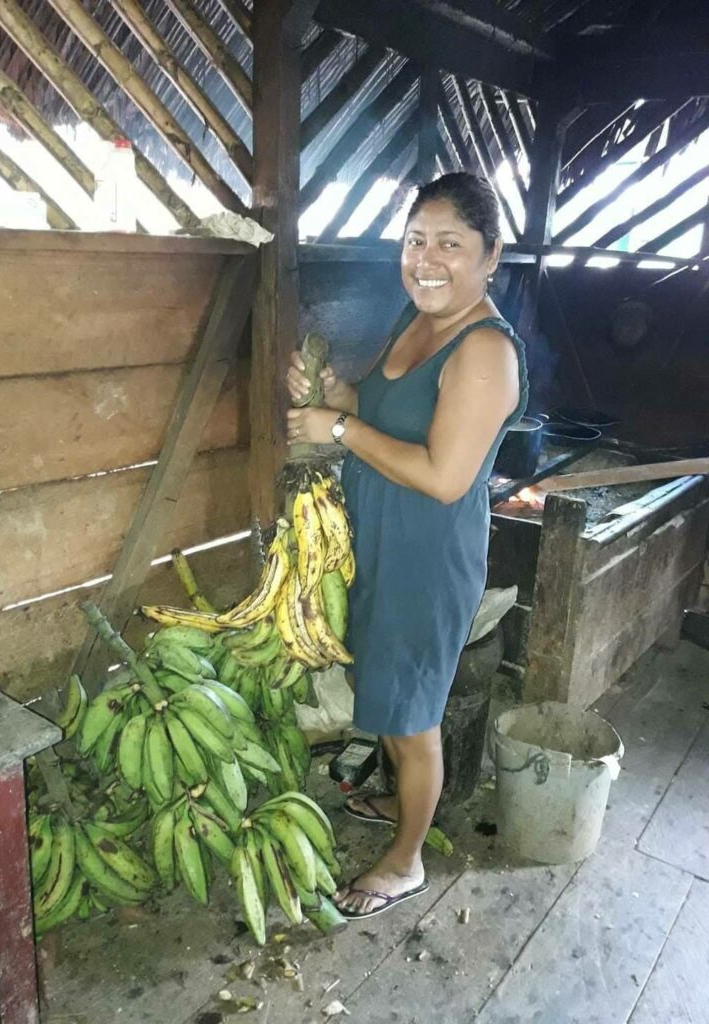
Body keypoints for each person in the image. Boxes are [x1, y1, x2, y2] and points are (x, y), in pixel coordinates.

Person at [285, 172, 528, 920]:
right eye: (416, 240)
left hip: (426, 562)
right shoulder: (417, 316)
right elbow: (386, 409)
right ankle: (401, 804)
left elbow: (445, 477)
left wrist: (339, 429)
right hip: (378, 543)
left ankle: (407, 862)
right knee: (390, 700)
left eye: (450, 244)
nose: (427, 259)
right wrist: (336, 393)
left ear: (490, 255)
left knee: (413, 719)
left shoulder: (484, 350)